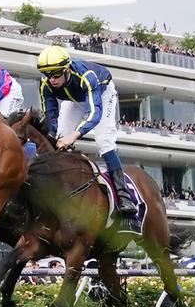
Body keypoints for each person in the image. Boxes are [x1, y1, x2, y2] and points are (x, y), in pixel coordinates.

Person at [36, 45, 139, 235]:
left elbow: (94, 113)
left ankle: (124, 197)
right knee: (58, 138)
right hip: (74, 99)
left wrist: (74, 135)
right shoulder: (46, 84)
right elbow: (50, 115)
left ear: (67, 69)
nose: (52, 80)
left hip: (102, 94)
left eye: (56, 74)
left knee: (104, 141)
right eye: (47, 75)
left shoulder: (86, 76)